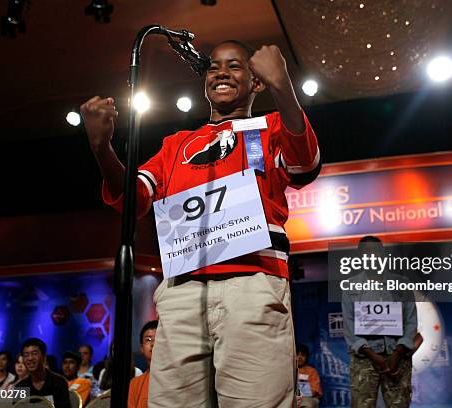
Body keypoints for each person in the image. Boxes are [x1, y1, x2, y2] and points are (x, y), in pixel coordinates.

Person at [81, 39, 320, 407]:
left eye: (234, 65)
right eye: (213, 67)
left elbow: (304, 164)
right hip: (183, 292)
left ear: (257, 83)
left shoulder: (270, 127)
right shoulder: (175, 145)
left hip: (251, 285)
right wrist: (102, 149)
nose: (221, 72)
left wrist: (282, 85)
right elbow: (134, 200)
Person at [341, 236, 417, 408]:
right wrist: (372, 355)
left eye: (375, 250)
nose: (371, 255)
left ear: (383, 254)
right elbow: (349, 325)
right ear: (359, 256)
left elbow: (411, 320)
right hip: (364, 359)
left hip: (397, 358)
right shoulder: (350, 286)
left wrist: (397, 353)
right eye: (366, 251)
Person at [14, 337, 71, 408]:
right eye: (26, 355)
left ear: (44, 357)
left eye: (34, 353)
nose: (30, 358)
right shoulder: (20, 387)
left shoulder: (59, 382)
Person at [128, 320, 158, 408]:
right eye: (148, 339)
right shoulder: (135, 384)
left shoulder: (177, 378)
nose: (153, 343)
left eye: (158, 338)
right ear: (141, 348)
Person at [296, 343, 323, 408]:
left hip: (308, 398)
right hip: (291, 398)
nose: (300, 357)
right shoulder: (288, 370)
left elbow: (314, 390)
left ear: (307, 357)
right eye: (297, 355)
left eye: (303, 355)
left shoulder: (312, 371)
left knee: (306, 404)